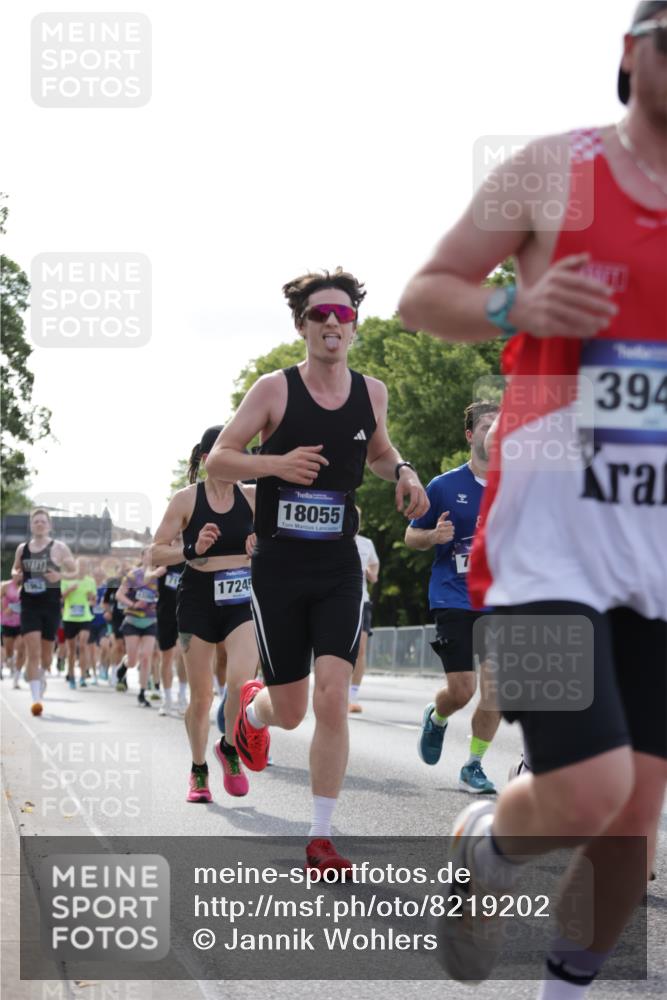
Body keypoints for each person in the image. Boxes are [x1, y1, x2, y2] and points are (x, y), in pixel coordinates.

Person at [398, 2, 667, 989]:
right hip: (547, 545)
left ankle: (564, 986)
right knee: (588, 788)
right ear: (631, 54)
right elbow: (424, 293)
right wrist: (518, 302)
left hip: (657, 553)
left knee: (634, 813)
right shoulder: (560, 170)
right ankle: (481, 846)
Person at [206, 268, 429, 873]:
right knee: (293, 710)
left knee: (332, 700)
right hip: (279, 567)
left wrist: (404, 470)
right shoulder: (274, 390)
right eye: (319, 315)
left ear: (353, 323)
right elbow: (219, 461)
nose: (332, 324)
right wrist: (277, 463)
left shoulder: (370, 392)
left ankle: (322, 837)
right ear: (301, 325)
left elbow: (379, 453)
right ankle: (251, 714)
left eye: (342, 314)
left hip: (337, 564)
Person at [151, 426, 259, 802]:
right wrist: (192, 548)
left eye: (240, 453)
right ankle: (198, 770)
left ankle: (229, 747)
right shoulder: (185, 500)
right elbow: (155, 554)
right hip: (197, 598)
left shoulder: (253, 498)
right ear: (206, 458)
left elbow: (285, 544)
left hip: (241, 597)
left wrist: (262, 548)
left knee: (243, 683)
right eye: (228, 452)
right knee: (201, 698)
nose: (235, 461)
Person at [405, 401, 500, 793]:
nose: (493, 434)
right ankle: (438, 716)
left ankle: (473, 765)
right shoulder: (444, 486)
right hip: (453, 598)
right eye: (486, 427)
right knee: (463, 690)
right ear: (470, 435)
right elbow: (412, 536)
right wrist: (433, 537)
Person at [11, 508, 76, 713]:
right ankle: (36, 698)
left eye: (43, 521)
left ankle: (42, 674)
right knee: (33, 650)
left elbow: (74, 571)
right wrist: (16, 575)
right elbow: (15, 568)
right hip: (29, 604)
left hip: (50, 605)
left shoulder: (59, 548)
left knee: (47, 656)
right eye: (36, 521)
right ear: (31, 525)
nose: (39, 524)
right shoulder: (23, 549)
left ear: (49, 525)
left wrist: (60, 577)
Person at [115, 550, 160, 707]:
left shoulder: (159, 574)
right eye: (148, 554)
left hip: (150, 621)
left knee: (146, 657)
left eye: (153, 553)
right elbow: (119, 595)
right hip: (133, 620)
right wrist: (133, 604)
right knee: (133, 661)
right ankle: (124, 665)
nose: (151, 556)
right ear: (142, 557)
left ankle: (142, 693)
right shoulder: (134, 575)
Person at [349, 509, 380, 713]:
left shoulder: (366, 544)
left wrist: (369, 573)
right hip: (337, 601)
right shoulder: (332, 540)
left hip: (362, 601)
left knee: (360, 649)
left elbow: (375, 573)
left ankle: (352, 697)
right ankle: (333, 692)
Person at [153, 555, 185, 717]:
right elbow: (142, 577)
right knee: (166, 657)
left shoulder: (192, 554)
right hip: (165, 614)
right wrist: (156, 572)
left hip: (186, 612)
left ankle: (182, 696)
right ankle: (166, 699)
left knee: (183, 655)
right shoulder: (163, 556)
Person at [61, 558, 97, 689]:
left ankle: (82, 676)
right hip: (69, 617)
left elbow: (93, 599)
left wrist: (91, 597)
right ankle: (71, 676)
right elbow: (61, 597)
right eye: (79, 565)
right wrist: (69, 590)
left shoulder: (90, 581)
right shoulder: (66, 579)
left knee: (82, 646)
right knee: (71, 650)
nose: (82, 568)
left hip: (85, 617)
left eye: (84, 566)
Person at [1, 578, 23, 683]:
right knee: (8, 649)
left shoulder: (27, 585)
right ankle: (10, 659)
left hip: (21, 622)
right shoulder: (5, 586)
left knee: (20, 647)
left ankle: (16, 671)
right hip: (7, 622)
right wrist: (4, 609)